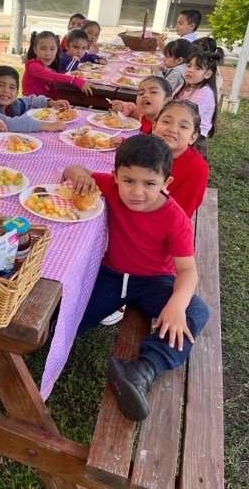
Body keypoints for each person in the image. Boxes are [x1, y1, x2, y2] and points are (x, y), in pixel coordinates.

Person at [64, 135, 209, 422]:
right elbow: (72, 169)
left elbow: (188, 271)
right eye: (128, 180)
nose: (137, 192)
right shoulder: (110, 187)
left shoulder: (175, 218)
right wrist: (81, 177)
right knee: (66, 323)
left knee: (195, 311)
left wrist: (176, 305)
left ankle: (143, 369)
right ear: (116, 175)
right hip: (110, 276)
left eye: (149, 183)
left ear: (166, 182)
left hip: (153, 282)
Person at [152, 100, 208, 217]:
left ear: (192, 138)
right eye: (166, 121)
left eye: (183, 126)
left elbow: (180, 214)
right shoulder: (145, 149)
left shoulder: (197, 169)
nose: (172, 129)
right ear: (154, 126)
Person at [0, 65, 69, 133]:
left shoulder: (13, 105)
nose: (6, 90)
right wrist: (46, 126)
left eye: (12, 87)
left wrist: (51, 103)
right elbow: (7, 123)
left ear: (16, 94)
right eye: (0, 85)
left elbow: (29, 101)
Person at [22, 31, 93, 101]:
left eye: (52, 49)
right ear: (35, 50)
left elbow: (56, 88)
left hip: (47, 106)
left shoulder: (51, 69)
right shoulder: (32, 65)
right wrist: (75, 80)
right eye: (43, 49)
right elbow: (52, 76)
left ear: (57, 50)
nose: (48, 53)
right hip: (30, 106)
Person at [173, 49, 220, 155]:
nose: (190, 70)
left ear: (208, 74)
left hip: (195, 137)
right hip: (183, 126)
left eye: (197, 68)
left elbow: (185, 114)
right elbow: (170, 101)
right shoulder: (186, 85)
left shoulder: (205, 92)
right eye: (189, 66)